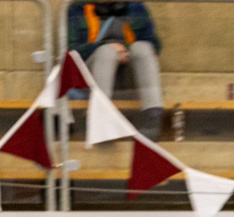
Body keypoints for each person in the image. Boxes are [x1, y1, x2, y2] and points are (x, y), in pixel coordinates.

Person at [66, 2, 165, 140]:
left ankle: (153, 116)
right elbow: (71, 51)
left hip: (129, 74)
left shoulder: (136, 8)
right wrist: (106, 46)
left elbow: (154, 45)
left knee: (142, 48)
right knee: (107, 52)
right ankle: (101, 118)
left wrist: (126, 50)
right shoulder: (77, 9)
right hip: (93, 73)